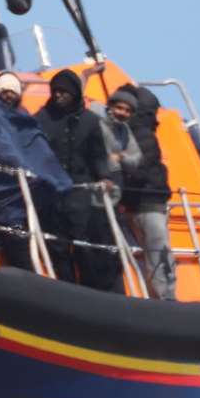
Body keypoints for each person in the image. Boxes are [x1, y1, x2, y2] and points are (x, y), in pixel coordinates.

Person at [0, 72, 73, 272]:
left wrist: (49, 175)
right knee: (17, 237)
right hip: (1, 186)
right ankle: (28, 277)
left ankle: (58, 279)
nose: (9, 95)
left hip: (31, 188)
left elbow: (37, 147)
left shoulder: (23, 116)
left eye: (12, 92)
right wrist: (22, 168)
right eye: (5, 92)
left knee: (52, 234)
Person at [34, 70, 119, 289]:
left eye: (64, 92)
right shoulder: (42, 118)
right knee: (57, 245)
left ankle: (89, 288)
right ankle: (66, 287)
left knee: (83, 242)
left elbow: (98, 154)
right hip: (51, 192)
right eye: (55, 91)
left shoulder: (90, 121)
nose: (58, 95)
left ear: (74, 93)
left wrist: (105, 177)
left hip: (80, 190)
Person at [108, 86, 176, 300]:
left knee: (156, 253)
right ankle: (163, 298)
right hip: (146, 201)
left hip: (143, 202)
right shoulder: (141, 134)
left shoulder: (133, 135)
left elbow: (137, 169)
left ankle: (162, 297)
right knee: (157, 254)